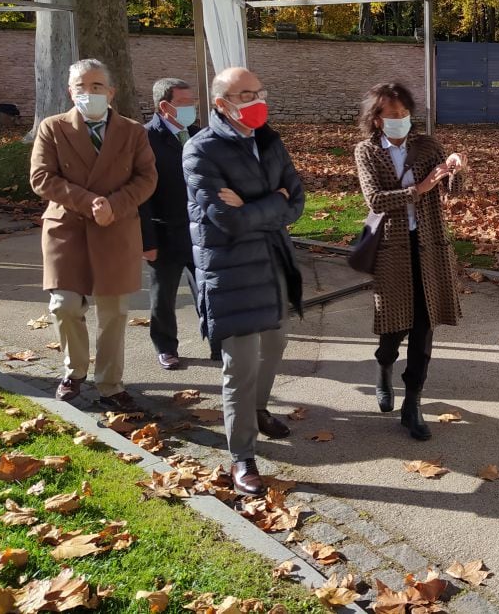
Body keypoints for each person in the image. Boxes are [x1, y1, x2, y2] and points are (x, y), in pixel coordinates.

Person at [183, 66, 305, 496]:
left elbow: (298, 199)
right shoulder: (200, 150)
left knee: (275, 344)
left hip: (272, 263)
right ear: (222, 103)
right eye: (246, 94)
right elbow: (226, 220)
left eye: (260, 91)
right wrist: (274, 202)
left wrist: (260, 203)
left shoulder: (270, 140)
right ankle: (242, 456)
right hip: (230, 271)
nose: (257, 101)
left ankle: (258, 410)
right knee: (241, 363)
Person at [30, 58, 157, 412]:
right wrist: (90, 202)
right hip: (67, 228)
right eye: (82, 87)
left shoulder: (133, 131)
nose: (90, 93)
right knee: (65, 305)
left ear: (111, 92)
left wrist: (114, 206)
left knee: (114, 312)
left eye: (97, 86)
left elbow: (147, 178)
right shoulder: (52, 128)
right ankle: (74, 372)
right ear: (71, 92)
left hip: (116, 227)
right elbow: (41, 178)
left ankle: (111, 385)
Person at [354, 83, 468, 441]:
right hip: (391, 248)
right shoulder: (367, 151)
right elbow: (374, 199)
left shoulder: (428, 145)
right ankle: (384, 365)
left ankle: (412, 403)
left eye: (405, 114)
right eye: (392, 115)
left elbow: (452, 191)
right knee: (393, 326)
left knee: (424, 327)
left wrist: (455, 170)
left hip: (429, 245)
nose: (401, 120)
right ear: (376, 119)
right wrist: (417, 190)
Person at [139, 77, 201, 369]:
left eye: (192, 101)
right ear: (165, 106)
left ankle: (218, 342)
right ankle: (166, 347)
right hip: (164, 231)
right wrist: (147, 241)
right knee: (163, 296)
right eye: (186, 103)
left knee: (208, 290)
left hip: (199, 230)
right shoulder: (145, 138)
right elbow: (142, 194)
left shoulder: (197, 134)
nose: (192, 108)